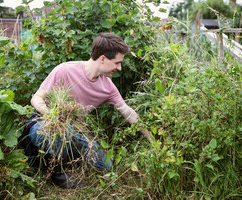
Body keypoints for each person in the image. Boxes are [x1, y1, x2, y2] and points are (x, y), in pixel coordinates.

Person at [19, 33, 153, 189]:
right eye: (117, 62)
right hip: (42, 124)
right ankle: (56, 173)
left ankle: (64, 155)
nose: (119, 68)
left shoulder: (107, 87)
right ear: (102, 59)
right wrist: (53, 116)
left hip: (73, 131)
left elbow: (128, 113)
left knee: (106, 164)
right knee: (63, 130)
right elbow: (36, 98)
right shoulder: (65, 70)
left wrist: (152, 140)